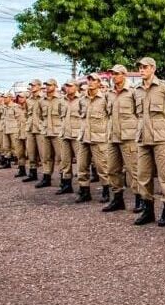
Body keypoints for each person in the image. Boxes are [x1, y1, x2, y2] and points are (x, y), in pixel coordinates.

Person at [133, 57, 165, 226]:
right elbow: (135, 112)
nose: (141, 70)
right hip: (143, 137)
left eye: (145, 67)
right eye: (140, 67)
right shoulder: (136, 90)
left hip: (162, 138)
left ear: (153, 68)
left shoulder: (164, 87)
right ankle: (148, 211)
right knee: (143, 176)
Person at [104, 65, 141, 212]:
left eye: (117, 74)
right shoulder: (110, 93)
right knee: (112, 169)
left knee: (134, 170)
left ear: (124, 75)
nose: (114, 76)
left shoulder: (132, 92)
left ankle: (140, 199)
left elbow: (139, 114)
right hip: (113, 136)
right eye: (112, 73)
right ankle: (117, 199)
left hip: (129, 136)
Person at [75, 73, 111, 203]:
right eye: (89, 80)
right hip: (84, 137)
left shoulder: (104, 99)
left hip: (99, 138)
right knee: (82, 166)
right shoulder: (82, 99)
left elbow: (110, 116)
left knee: (102, 167)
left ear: (99, 83)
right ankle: (84, 192)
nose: (90, 82)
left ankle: (106, 191)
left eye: (93, 80)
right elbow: (81, 114)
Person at [58, 80, 81, 195]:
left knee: (81, 162)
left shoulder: (81, 99)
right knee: (65, 161)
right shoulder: (62, 100)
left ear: (76, 87)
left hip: (77, 135)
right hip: (64, 134)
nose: (68, 88)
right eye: (66, 86)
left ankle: (83, 188)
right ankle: (66, 185)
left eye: (70, 86)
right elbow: (60, 115)